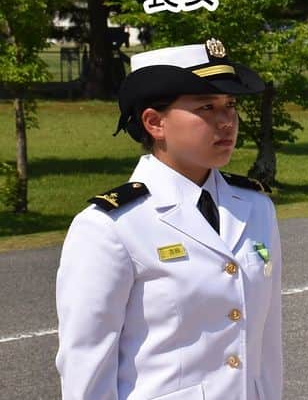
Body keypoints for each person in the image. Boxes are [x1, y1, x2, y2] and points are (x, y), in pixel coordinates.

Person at [56, 39, 283, 400]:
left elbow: (266, 344)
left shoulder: (254, 207)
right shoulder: (110, 227)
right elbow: (86, 363)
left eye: (231, 105)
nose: (227, 121)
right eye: (206, 107)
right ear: (154, 122)